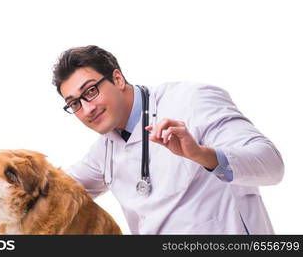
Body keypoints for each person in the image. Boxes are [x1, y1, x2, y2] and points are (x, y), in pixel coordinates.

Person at [51, 45, 284, 234]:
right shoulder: (105, 150)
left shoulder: (191, 100)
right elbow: (52, 191)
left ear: (118, 79)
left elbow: (271, 164)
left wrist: (201, 154)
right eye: (74, 103)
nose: (87, 109)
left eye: (91, 91)